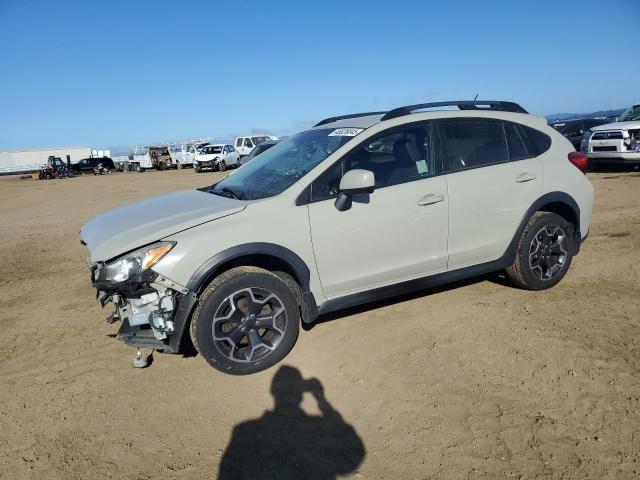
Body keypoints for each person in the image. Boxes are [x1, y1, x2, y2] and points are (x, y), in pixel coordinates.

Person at [218, 366, 365, 479]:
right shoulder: (319, 428)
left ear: (273, 391)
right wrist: (321, 400)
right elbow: (354, 454)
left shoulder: (246, 431)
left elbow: (227, 474)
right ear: (301, 395)